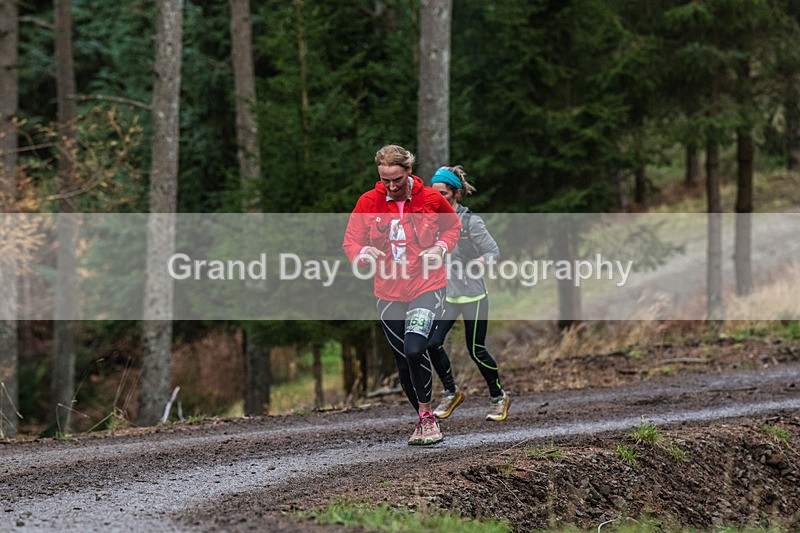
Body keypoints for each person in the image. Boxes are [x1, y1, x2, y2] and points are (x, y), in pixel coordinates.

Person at [342, 145, 461, 445]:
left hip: (427, 286)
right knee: (402, 359)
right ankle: (424, 418)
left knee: (414, 348)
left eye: (397, 179)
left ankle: (427, 415)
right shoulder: (368, 202)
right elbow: (351, 242)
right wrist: (362, 252)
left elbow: (453, 227)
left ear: (409, 171)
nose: (391, 187)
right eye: (385, 180)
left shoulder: (431, 198)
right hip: (388, 291)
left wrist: (440, 248)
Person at [427, 165, 511, 421]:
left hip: (473, 296)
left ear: (456, 192)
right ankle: (451, 392)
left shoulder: (470, 221)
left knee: (476, 350)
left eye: (443, 193)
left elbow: (493, 251)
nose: (438, 198)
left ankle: (498, 397)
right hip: (447, 296)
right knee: (432, 343)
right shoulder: (432, 221)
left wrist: (482, 263)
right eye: (435, 193)